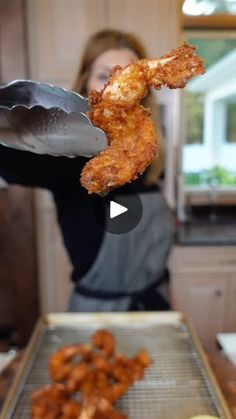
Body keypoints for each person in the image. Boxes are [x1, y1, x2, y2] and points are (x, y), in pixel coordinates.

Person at [0, 29, 174, 312]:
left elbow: (156, 267)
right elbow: (15, 158)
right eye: (105, 76)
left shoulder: (152, 157)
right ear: (85, 86)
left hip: (156, 309)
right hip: (95, 317)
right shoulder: (68, 159)